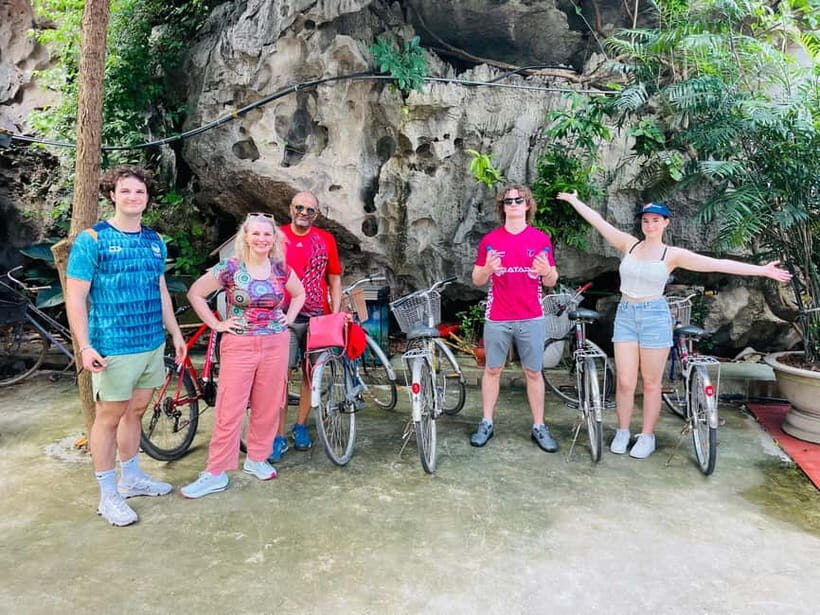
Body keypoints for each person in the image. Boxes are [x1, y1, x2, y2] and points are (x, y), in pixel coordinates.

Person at [556, 191, 792, 458]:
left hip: (654, 315)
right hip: (626, 314)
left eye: (656, 220)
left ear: (665, 223)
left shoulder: (672, 254)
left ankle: (647, 435)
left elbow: (716, 263)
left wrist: (762, 270)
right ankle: (622, 431)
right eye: (646, 221)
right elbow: (600, 223)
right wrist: (575, 201)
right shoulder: (629, 245)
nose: (650, 225)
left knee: (652, 382)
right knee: (624, 381)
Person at [66, 165, 187, 527]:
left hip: (151, 342)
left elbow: (161, 290)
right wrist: (85, 346)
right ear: (112, 195)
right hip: (113, 346)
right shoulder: (93, 239)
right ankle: (108, 496)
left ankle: (131, 477)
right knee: (109, 417)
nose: (133, 197)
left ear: (147, 198)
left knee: (136, 411)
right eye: (126, 191)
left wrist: (176, 334)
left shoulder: (155, 241)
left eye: (140, 192)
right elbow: (75, 297)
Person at [179, 213, 305, 499]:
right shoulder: (230, 267)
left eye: (267, 234)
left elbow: (299, 294)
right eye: (256, 234)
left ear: (274, 239)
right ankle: (216, 472)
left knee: (268, 405)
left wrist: (289, 318)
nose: (261, 239)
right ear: (245, 237)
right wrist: (217, 324)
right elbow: (196, 293)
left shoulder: (280, 268)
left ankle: (257, 458)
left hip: (275, 342)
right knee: (229, 408)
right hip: (240, 345)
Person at [471, 184, 560, 451]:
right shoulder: (490, 241)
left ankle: (539, 426)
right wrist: (487, 268)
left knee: (533, 372)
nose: (513, 204)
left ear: (527, 205)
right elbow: (476, 280)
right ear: (503, 207)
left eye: (518, 200)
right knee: (492, 369)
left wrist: (546, 272)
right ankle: (486, 421)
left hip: (531, 316)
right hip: (498, 316)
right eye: (508, 201)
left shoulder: (540, 239)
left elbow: (552, 280)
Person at [270, 191, 343, 461]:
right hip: (283, 317)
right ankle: (277, 435)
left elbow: (334, 279)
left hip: (316, 318)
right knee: (280, 377)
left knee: (310, 375)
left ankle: (300, 425)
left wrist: (334, 315)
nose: (303, 212)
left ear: (317, 214)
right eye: (299, 207)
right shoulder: (275, 236)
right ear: (290, 208)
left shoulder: (326, 240)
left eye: (309, 210)